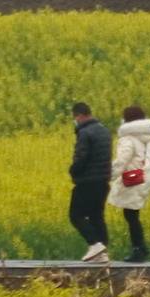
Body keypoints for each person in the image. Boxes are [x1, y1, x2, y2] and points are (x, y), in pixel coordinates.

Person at [107, 103, 150, 262]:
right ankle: (141, 247)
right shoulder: (147, 138)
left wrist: (109, 175)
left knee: (131, 216)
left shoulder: (128, 138)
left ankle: (138, 249)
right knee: (132, 215)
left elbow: (122, 160)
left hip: (132, 180)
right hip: (144, 178)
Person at [66, 101, 113, 263]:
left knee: (75, 215)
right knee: (96, 216)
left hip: (87, 181)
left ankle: (94, 244)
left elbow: (81, 157)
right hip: (103, 181)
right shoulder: (105, 131)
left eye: (75, 117)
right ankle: (102, 252)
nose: (75, 121)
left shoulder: (85, 133)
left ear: (79, 115)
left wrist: (73, 170)